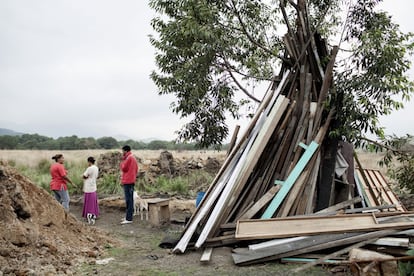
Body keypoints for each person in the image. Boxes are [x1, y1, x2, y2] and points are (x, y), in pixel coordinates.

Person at [120, 145, 138, 224]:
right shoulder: (133, 157)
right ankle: (128, 216)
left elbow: (123, 168)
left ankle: (129, 219)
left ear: (126, 151)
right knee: (130, 199)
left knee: (128, 200)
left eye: (123, 151)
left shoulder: (128, 158)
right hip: (131, 180)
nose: (122, 153)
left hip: (128, 181)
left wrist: (122, 162)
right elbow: (136, 168)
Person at [82, 156, 100, 225]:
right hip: (93, 186)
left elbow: (84, 176)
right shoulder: (96, 168)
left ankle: (89, 214)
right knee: (93, 201)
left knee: (89, 201)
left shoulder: (89, 168)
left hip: (88, 186)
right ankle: (94, 214)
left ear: (89, 162)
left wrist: (84, 177)